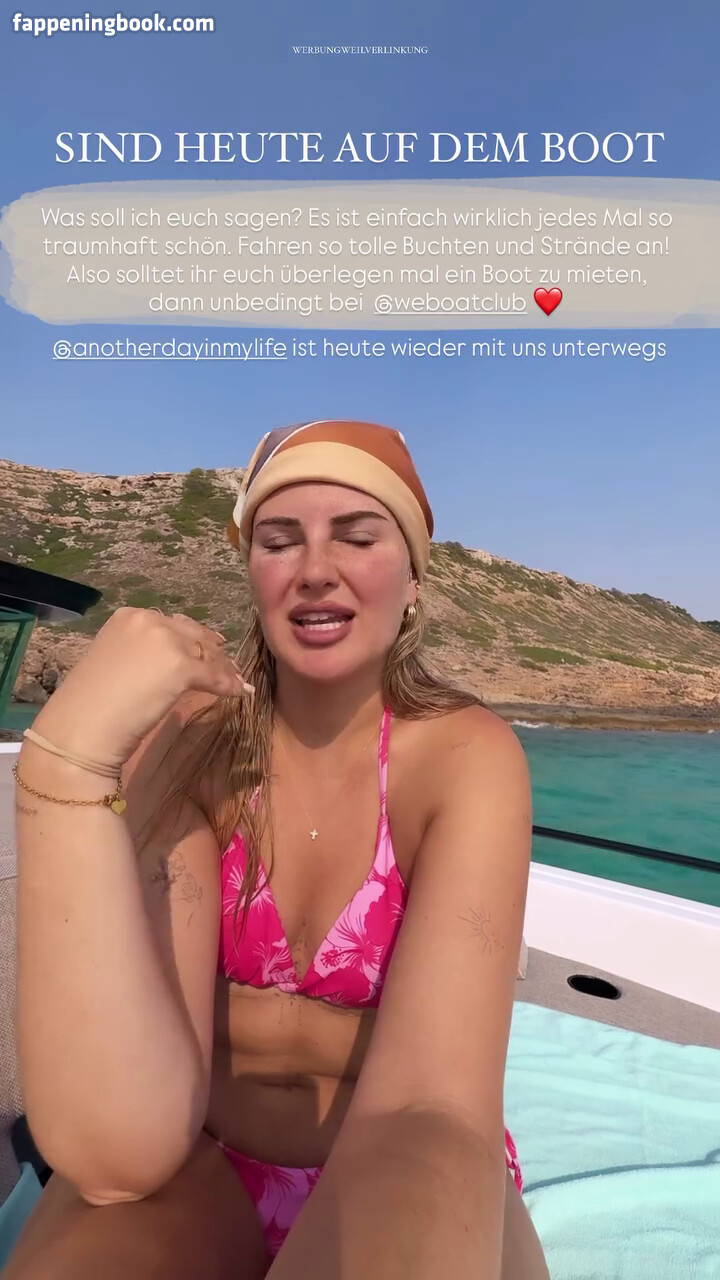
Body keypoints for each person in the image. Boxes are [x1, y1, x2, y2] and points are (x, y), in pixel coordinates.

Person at [8, 420, 549, 1279]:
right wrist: (64, 766)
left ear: (413, 578)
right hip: (199, 1159)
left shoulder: (464, 757)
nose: (315, 569)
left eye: (358, 537)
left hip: (399, 1165)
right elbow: (121, 1153)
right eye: (279, 539)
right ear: (252, 572)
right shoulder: (193, 745)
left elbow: (431, 1111)